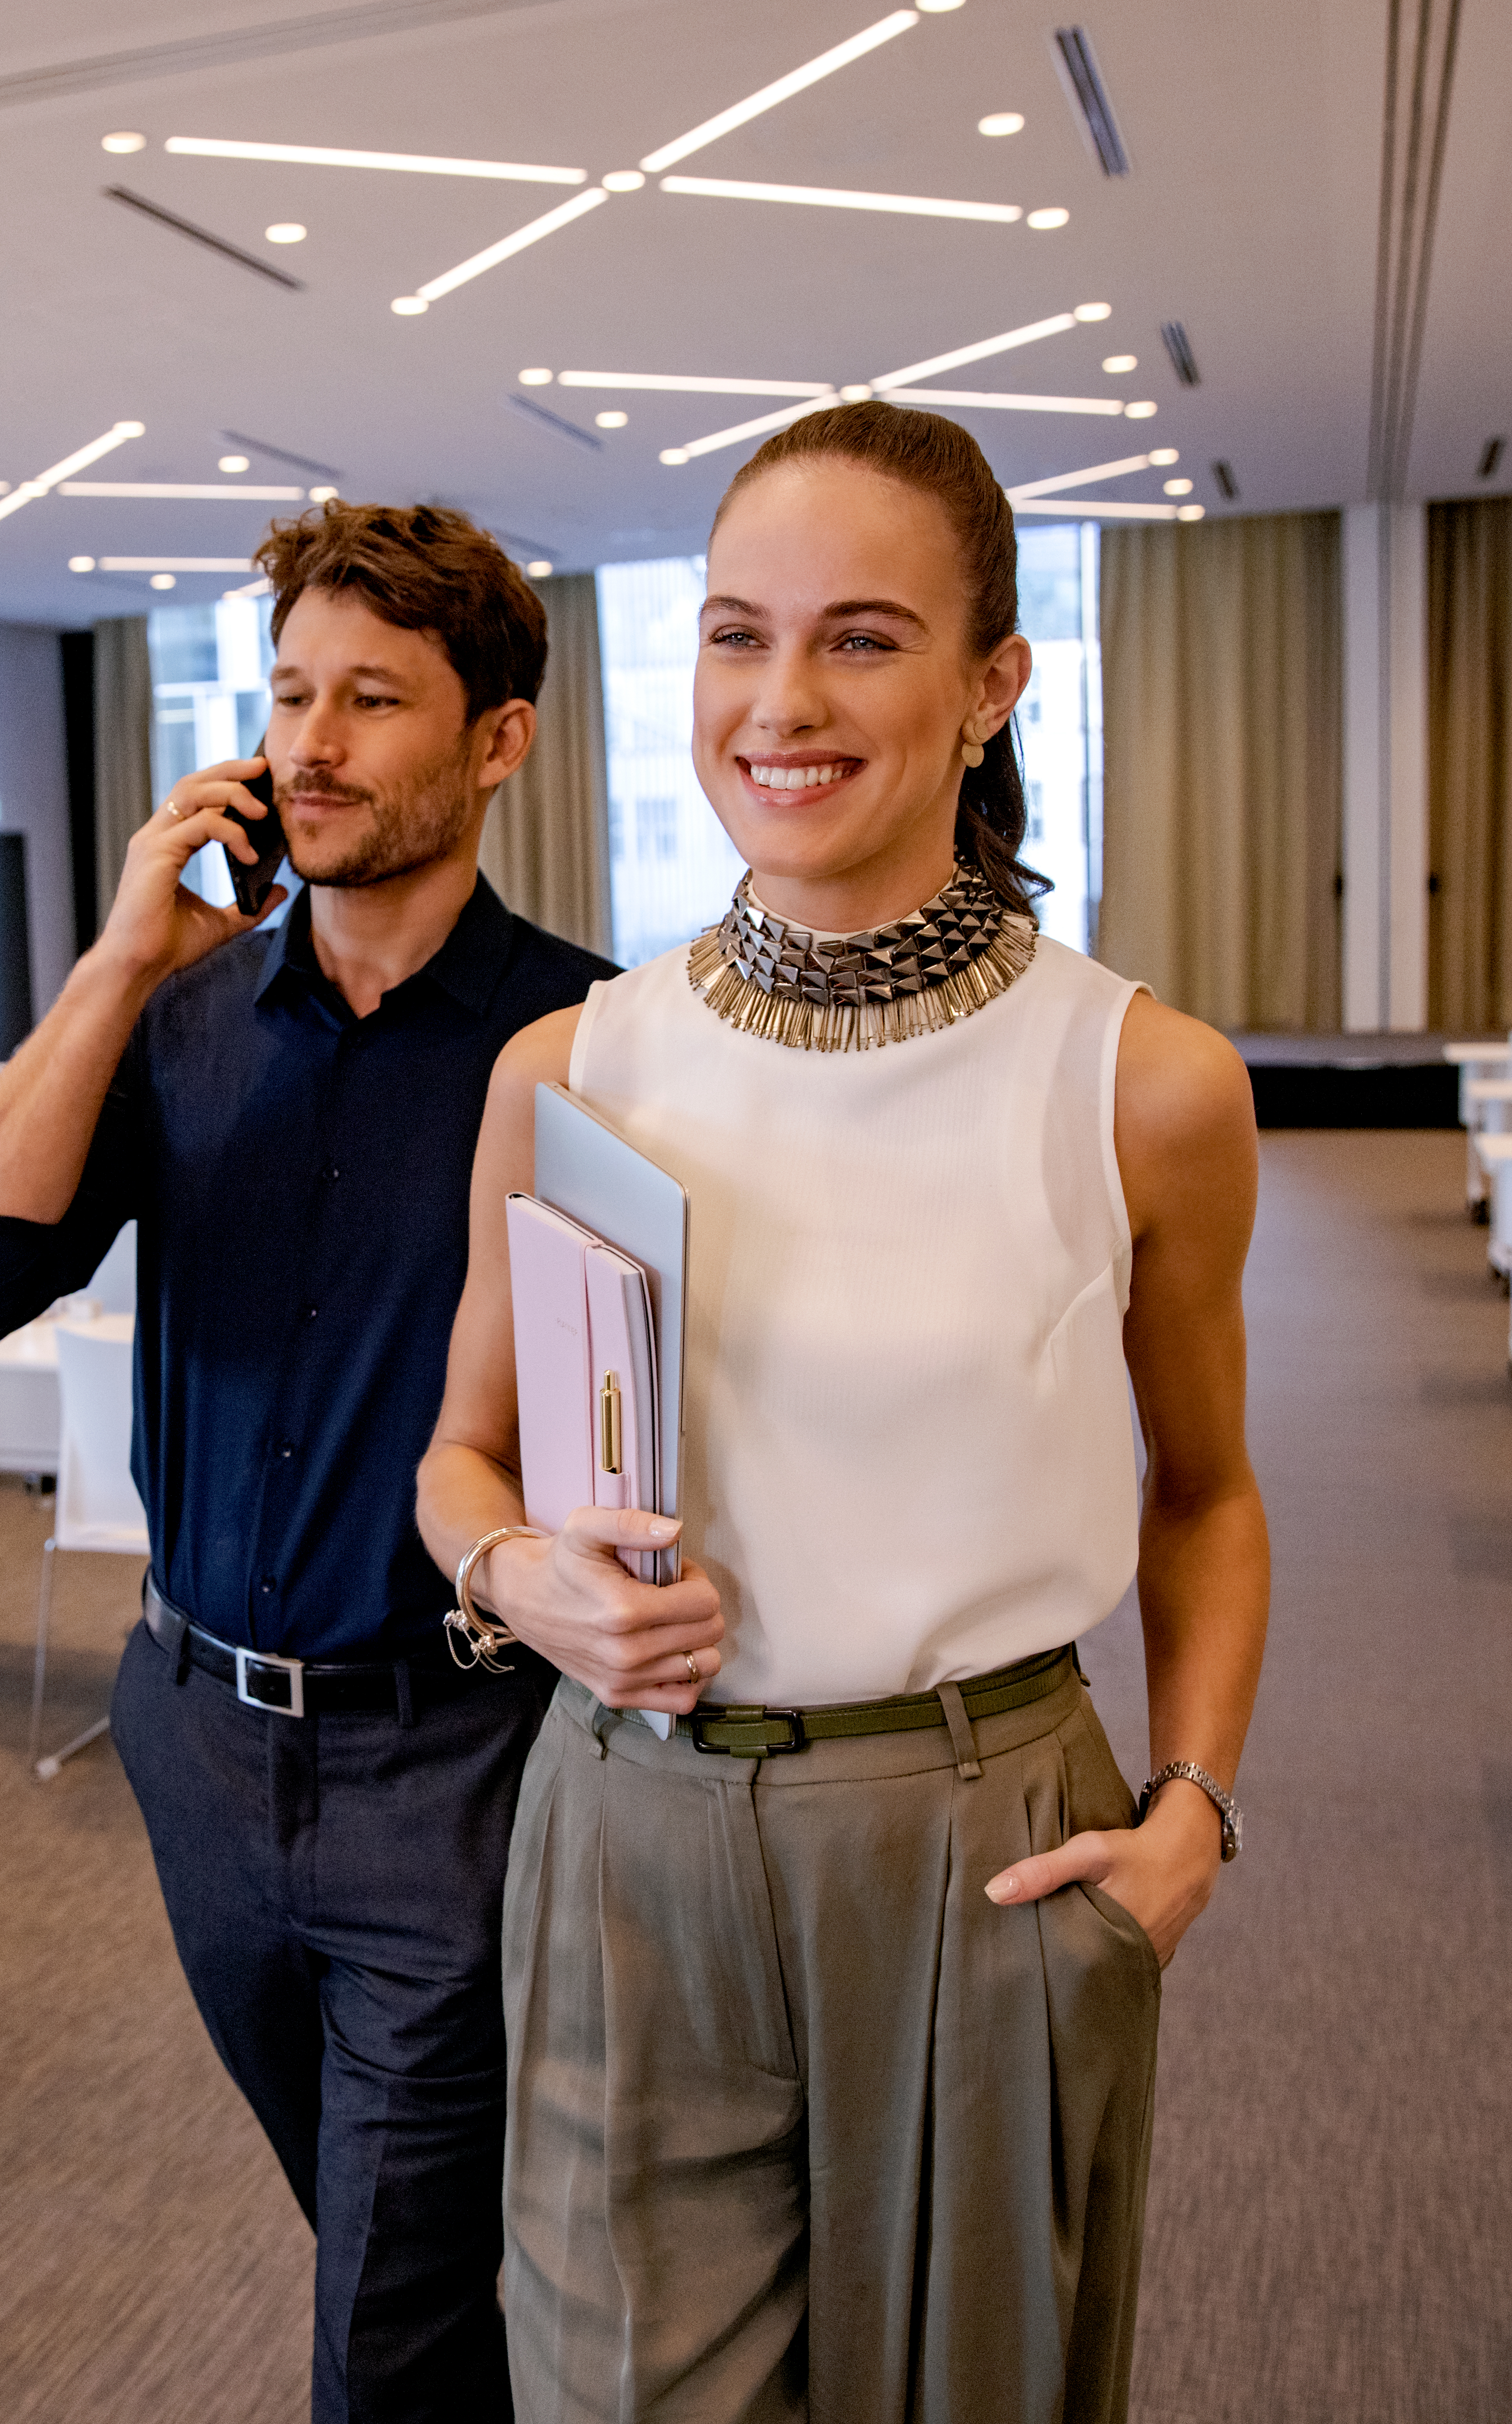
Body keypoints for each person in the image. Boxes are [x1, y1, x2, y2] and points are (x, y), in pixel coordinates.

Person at [416, 401, 1269, 2424]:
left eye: (862, 639)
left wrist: (1194, 1815)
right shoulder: (573, 1062)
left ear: (990, 684)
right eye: (734, 634)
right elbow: (459, 1463)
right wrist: (519, 1573)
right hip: (632, 1834)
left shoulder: (1142, 1081)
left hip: (982, 1840)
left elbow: (1209, 1494)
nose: (780, 701)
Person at [0, 500, 613, 2420]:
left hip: (455, 1757)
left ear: (497, 741)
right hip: (195, 1743)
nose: (312, 740)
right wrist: (116, 966)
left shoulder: (593, 1042)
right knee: (388, 2240)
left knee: (379, 2314)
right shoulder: (178, 1018)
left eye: (374, 697)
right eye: (289, 692)